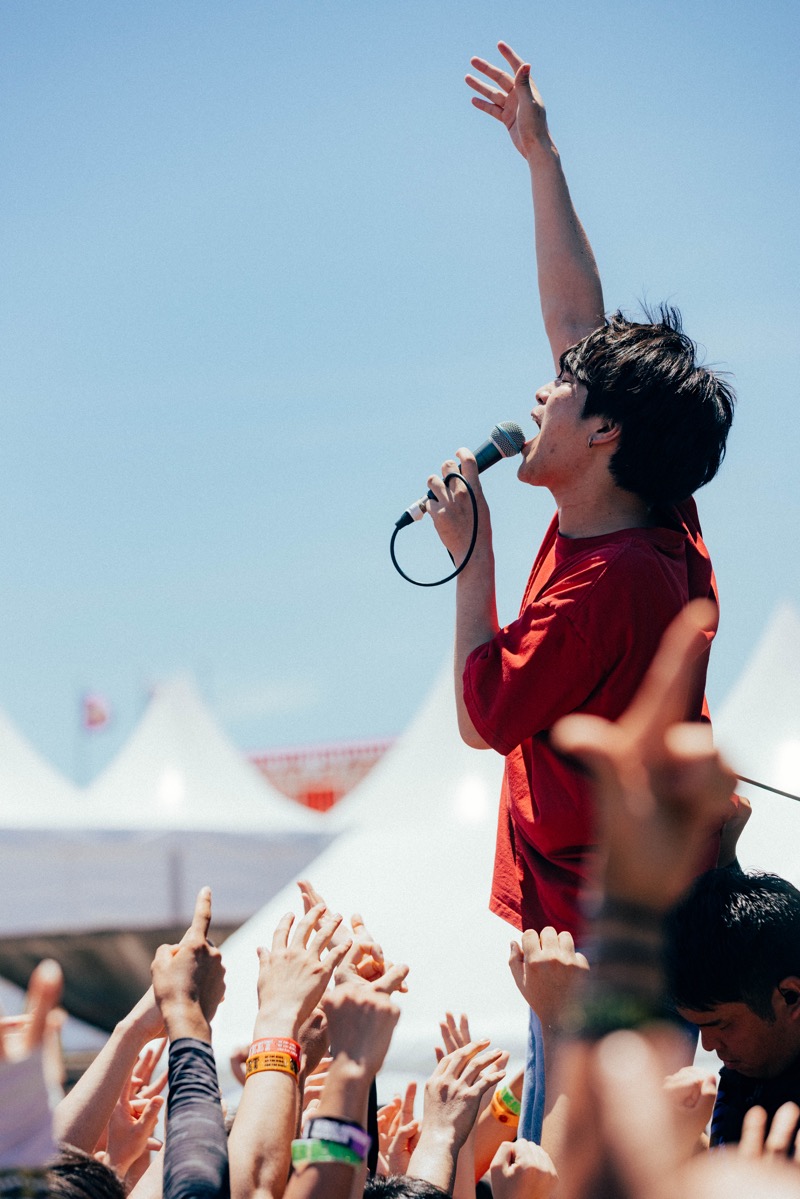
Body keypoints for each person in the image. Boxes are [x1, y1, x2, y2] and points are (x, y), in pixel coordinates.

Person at [425, 40, 734, 1141]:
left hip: (604, 951)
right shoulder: (652, 515)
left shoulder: (601, 589)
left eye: (562, 389)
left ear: (602, 432)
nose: (542, 389)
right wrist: (538, 155)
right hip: (623, 927)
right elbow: (579, 324)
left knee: (575, 1166)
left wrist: (471, 553)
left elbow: (481, 715)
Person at [667, 868, 800, 1147]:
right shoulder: (752, 1067)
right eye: (699, 1027)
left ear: (790, 995)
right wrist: (687, 1135)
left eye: (723, 1025)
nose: (707, 1045)